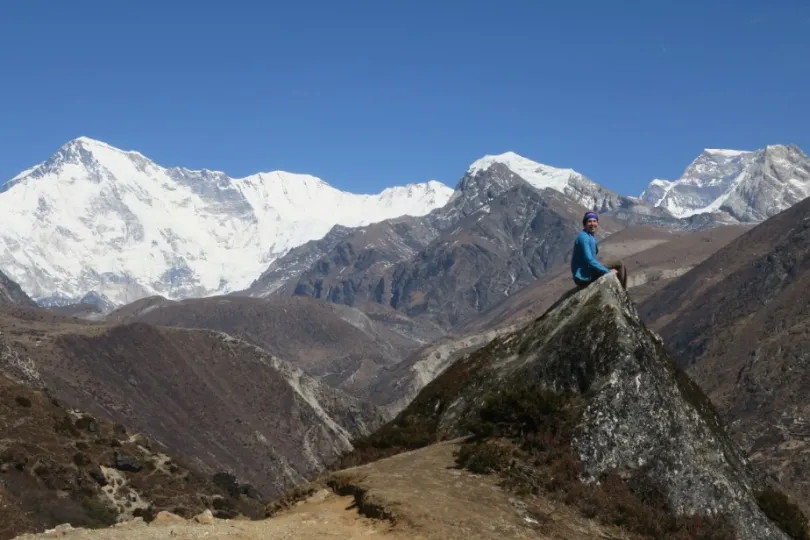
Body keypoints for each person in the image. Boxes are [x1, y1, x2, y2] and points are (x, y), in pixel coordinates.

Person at [571, 211, 627, 289]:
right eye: (589, 221)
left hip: (587, 271)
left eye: (594, 221)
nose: (592, 224)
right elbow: (589, 260)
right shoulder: (583, 237)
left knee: (619, 264)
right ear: (585, 224)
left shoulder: (590, 236)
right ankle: (621, 291)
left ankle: (621, 290)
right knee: (619, 265)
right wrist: (607, 271)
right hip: (583, 275)